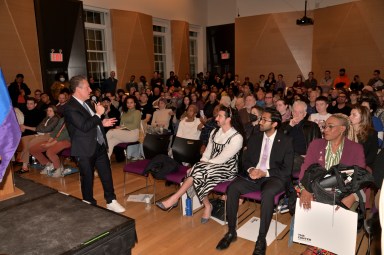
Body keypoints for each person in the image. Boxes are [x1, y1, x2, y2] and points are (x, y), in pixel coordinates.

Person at [216, 107, 294, 255]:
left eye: (264, 120)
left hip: (273, 177)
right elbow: (245, 160)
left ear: (275, 124)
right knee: (232, 188)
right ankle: (231, 232)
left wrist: (265, 172)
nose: (260, 122)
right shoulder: (256, 137)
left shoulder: (285, 141)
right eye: (261, 118)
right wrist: (251, 169)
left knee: (268, 193)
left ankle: (261, 239)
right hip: (253, 176)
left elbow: (286, 170)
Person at [156, 106, 244, 224]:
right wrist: (202, 163)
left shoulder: (237, 137)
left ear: (229, 119)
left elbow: (223, 159)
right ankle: (200, 204)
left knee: (195, 172)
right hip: (210, 165)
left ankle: (183, 200)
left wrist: (200, 165)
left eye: (220, 116)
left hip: (227, 168)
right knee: (197, 173)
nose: (216, 118)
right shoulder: (214, 132)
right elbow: (207, 153)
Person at [298, 114, 365, 255]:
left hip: (343, 192)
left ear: (342, 129)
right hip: (318, 189)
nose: (325, 130)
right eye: (324, 126)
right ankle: (317, 245)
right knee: (309, 203)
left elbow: (361, 178)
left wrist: (353, 197)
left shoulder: (355, 148)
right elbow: (305, 168)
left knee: (336, 211)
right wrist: (305, 189)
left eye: (330, 126)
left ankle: (321, 247)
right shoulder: (316, 144)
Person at [63, 75, 125, 213]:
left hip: (99, 144)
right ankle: (89, 204)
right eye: (87, 87)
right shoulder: (69, 107)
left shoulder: (87, 103)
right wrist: (98, 115)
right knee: (87, 178)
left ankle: (111, 200)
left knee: (106, 174)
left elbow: (91, 123)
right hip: (84, 148)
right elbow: (84, 126)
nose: (90, 90)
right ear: (78, 89)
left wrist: (101, 122)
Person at [18, 105, 60, 173]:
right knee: (24, 139)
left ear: (55, 112)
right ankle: (25, 164)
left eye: (50, 111)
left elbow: (48, 129)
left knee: (29, 145)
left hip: (48, 136)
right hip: (39, 134)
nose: (48, 112)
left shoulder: (56, 119)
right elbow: (39, 127)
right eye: (47, 111)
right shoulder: (46, 118)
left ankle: (24, 166)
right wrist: (40, 128)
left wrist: (40, 128)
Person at [349, 105, 378, 172]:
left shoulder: (371, 134)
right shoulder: (346, 131)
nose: (350, 117)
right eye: (350, 114)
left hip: (363, 166)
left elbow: (371, 155)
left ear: (363, 117)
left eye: (354, 115)